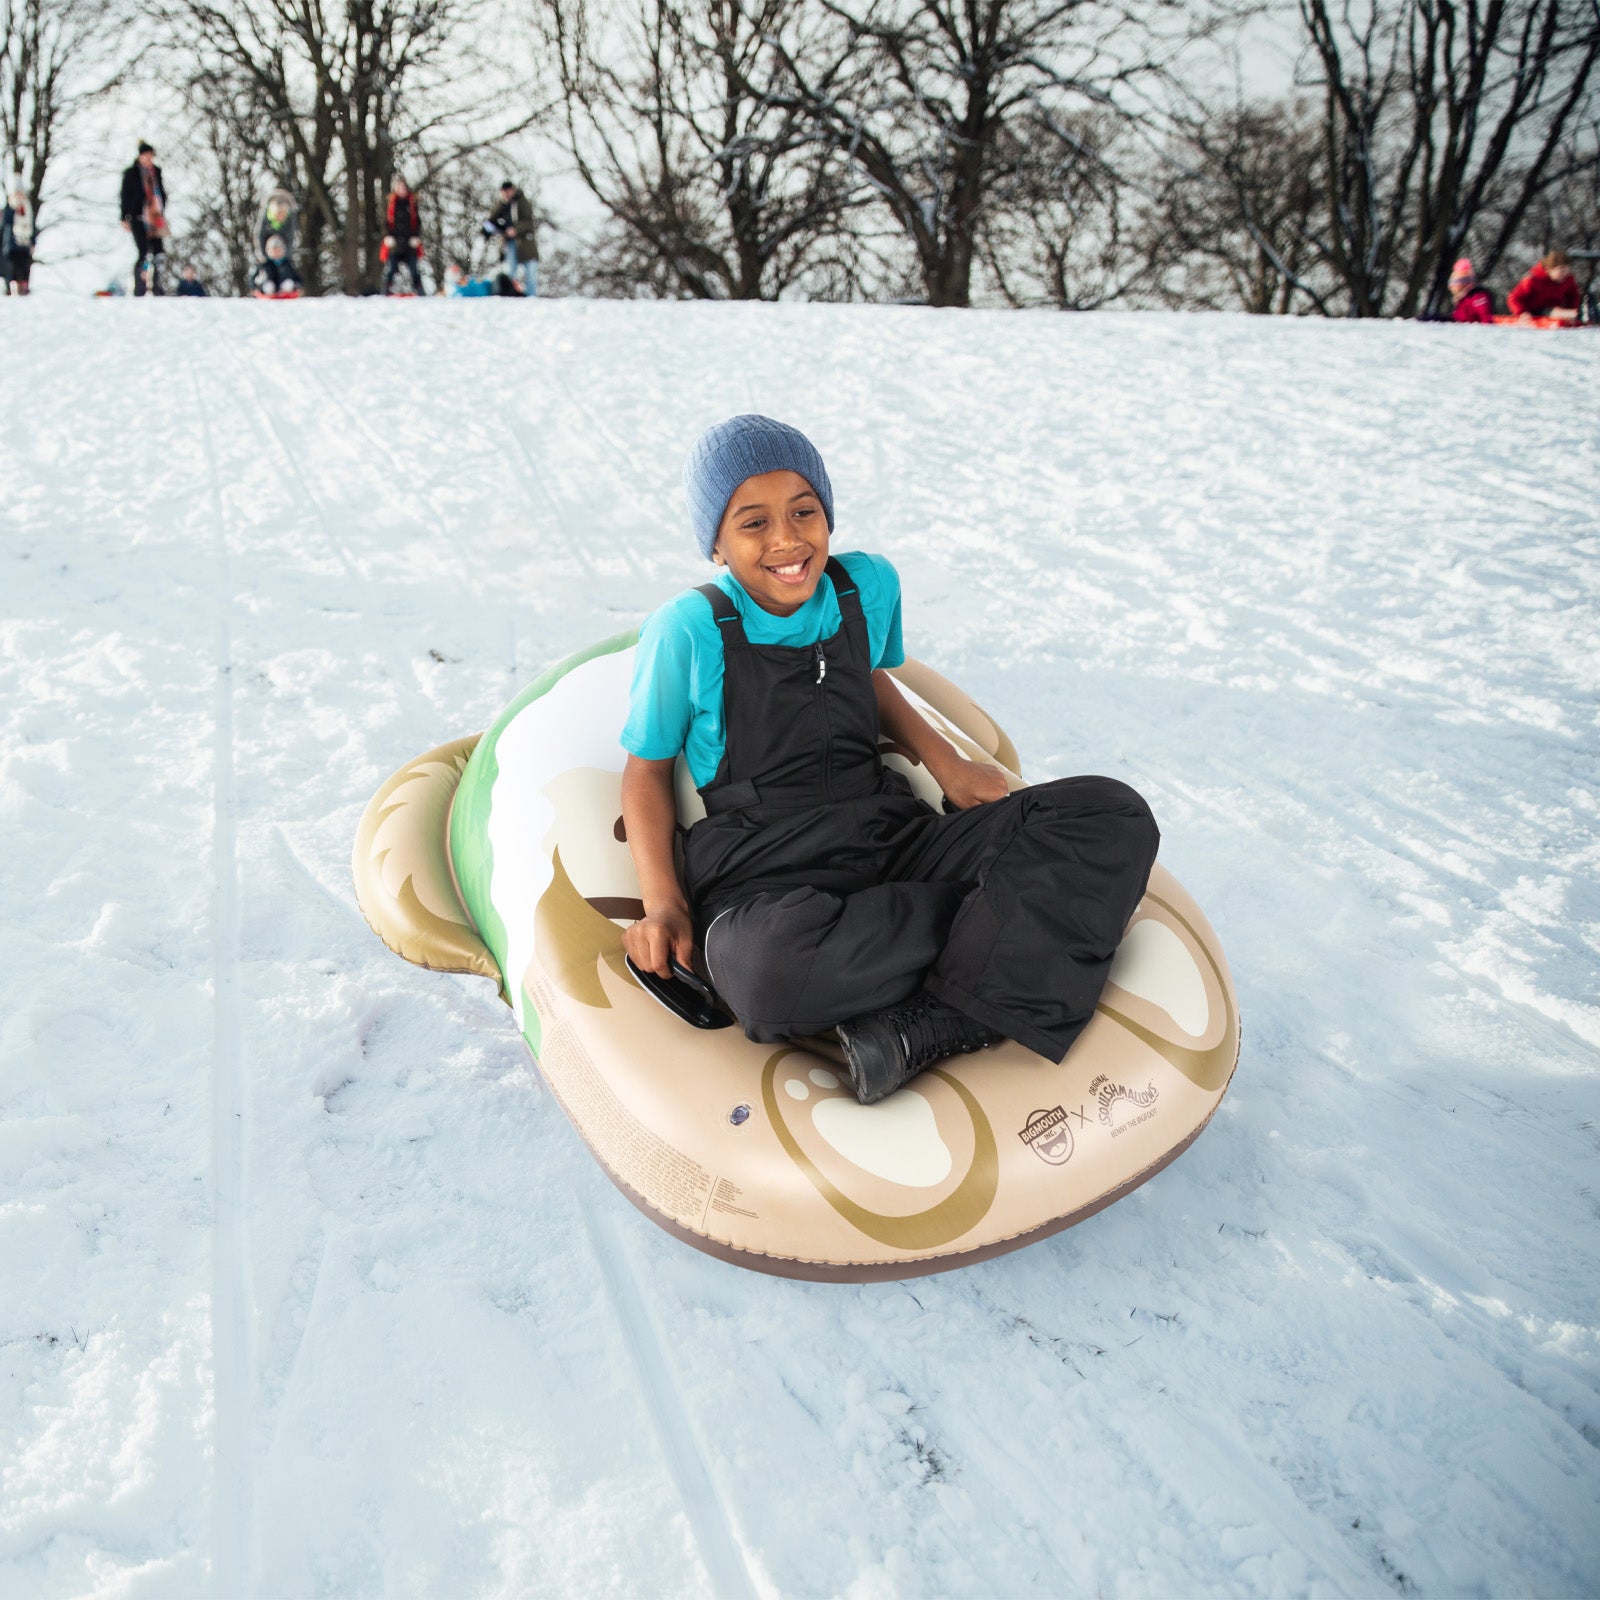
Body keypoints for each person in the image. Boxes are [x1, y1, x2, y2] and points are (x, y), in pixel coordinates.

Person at [619, 415, 1160, 1105]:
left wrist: (947, 766)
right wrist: (663, 905)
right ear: (716, 545)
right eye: (753, 523)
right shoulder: (687, 629)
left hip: (891, 837)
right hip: (762, 866)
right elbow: (645, 771)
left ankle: (936, 1024)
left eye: (805, 512)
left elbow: (867, 678)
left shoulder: (864, 587)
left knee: (1110, 814)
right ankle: (1005, 925)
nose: (788, 540)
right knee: (761, 976)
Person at [119, 142, 170, 296]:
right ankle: (140, 286)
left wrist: (162, 206)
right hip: (138, 215)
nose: (149, 159)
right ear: (140, 156)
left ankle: (157, 285)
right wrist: (124, 217)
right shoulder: (131, 173)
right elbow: (125, 196)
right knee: (144, 252)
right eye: (146, 156)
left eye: (151, 156)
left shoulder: (156, 172)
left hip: (156, 216)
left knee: (159, 253)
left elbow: (161, 191)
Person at [485, 179, 539, 296]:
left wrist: (516, 230)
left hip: (524, 242)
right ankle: (510, 294)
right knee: (510, 270)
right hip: (508, 243)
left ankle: (531, 295)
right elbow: (491, 219)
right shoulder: (502, 204)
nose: (505, 195)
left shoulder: (522, 202)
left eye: (507, 192)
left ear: (512, 190)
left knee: (530, 271)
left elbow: (529, 222)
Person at [1506, 248, 1581, 322]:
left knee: (1567, 313)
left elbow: (1573, 295)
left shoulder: (1568, 279)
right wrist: (1521, 312)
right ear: (1549, 270)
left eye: (1567, 271)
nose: (1564, 275)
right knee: (1557, 312)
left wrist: (1572, 308)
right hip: (1532, 311)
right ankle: (1564, 314)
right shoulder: (1532, 279)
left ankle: (1567, 315)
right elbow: (1513, 298)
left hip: (1555, 309)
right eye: (1561, 272)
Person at [382, 177, 423, 295]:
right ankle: (385, 292)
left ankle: (420, 292)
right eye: (399, 188)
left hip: (409, 243)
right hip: (394, 243)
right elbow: (385, 222)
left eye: (403, 188)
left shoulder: (412, 205)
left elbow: (417, 222)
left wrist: (416, 237)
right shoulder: (390, 205)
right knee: (391, 269)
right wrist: (388, 237)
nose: (402, 190)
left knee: (414, 269)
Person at [2, 189, 33, 295]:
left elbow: (31, 227)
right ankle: (12, 289)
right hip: (12, 245)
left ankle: (23, 289)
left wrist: (32, 242)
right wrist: (13, 208)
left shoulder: (27, 208)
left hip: (24, 245)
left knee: (24, 268)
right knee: (12, 269)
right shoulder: (10, 208)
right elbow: (6, 222)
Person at [257, 186, 297, 265]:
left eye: (283, 214)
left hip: (284, 250)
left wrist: (285, 259)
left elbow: (291, 239)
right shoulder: (265, 218)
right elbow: (259, 236)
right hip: (267, 249)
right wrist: (263, 257)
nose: (281, 217)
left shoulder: (289, 220)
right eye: (279, 214)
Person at [1444, 258, 1493, 323]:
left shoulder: (1477, 297)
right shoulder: (1462, 299)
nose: (1452, 288)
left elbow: (1486, 317)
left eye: (1456, 284)